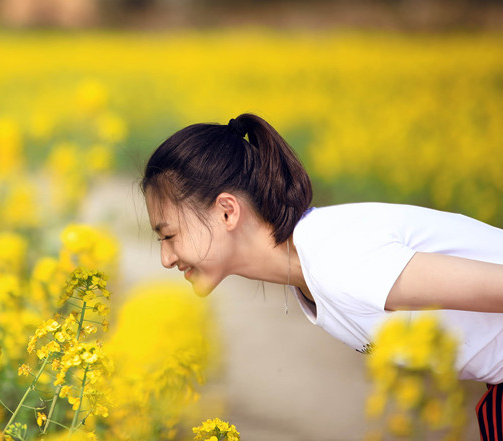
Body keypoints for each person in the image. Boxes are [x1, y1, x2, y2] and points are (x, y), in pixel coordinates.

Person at [140, 113, 503, 439]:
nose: (165, 259)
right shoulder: (314, 269)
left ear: (226, 212)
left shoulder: (338, 257)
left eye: (169, 235)